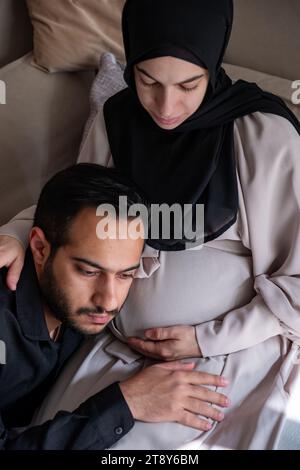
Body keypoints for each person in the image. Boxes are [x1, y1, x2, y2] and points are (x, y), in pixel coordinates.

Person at [0, 0, 300, 450]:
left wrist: (206, 339)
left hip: (231, 353)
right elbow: (80, 203)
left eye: (188, 84)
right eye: (147, 80)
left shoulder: (264, 133)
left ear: (213, 62)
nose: (165, 106)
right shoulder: (116, 120)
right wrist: (18, 233)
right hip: (115, 348)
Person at [0, 163, 230, 450]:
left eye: (125, 275)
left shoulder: (72, 307)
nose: (108, 301)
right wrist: (127, 403)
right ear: (40, 249)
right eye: (88, 272)